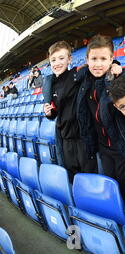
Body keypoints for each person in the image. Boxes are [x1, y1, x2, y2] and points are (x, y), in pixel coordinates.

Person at [75, 34, 125, 199]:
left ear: (112, 59)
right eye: (94, 59)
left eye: (103, 59)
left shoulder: (118, 78)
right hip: (101, 146)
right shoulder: (84, 80)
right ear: (87, 59)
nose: (98, 64)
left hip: (120, 146)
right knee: (110, 182)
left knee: (124, 183)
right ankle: (116, 209)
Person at [43, 41, 98, 181]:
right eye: (53, 60)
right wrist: (49, 113)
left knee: (89, 178)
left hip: (83, 138)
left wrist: (115, 64)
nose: (57, 63)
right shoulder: (50, 84)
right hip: (65, 140)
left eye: (61, 58)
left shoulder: (78, 75)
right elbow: (56, 111)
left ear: (70, 59)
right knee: (72, 178)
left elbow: (99, 67)